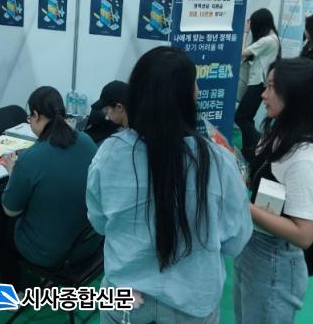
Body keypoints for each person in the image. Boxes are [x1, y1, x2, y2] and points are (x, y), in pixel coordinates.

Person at [87, 47, 252, 324]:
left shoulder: (109, 154)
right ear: (188, 97)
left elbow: (100, 223)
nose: (199, 90)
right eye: (195, 84)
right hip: (191, 306)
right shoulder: (217, 161)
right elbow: (235, 241)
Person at [233, 58, 313, 324]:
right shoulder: (277, 133)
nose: (263, 95)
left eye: (271, 87)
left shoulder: (306, 159)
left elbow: (304, 234)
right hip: (252, 246)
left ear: (295, 95)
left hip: (275, 260)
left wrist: (243, 205)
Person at [0, 86, 98, 288]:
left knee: (1, 224)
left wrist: (14, 172)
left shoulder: (30, 158)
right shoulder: (86, 141)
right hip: (90, 242)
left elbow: (11, 210)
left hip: (52, 254)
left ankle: (12, 288)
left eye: (29, 117)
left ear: (36, 115)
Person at [235, 8, 280, 159]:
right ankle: (248, 150)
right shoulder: (272, 38)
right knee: (247, 117)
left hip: (258, 83)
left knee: (241, 117)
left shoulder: (267, 41)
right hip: (260, 82)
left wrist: (245, 32)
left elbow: (241, 52)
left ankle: (260, 144)